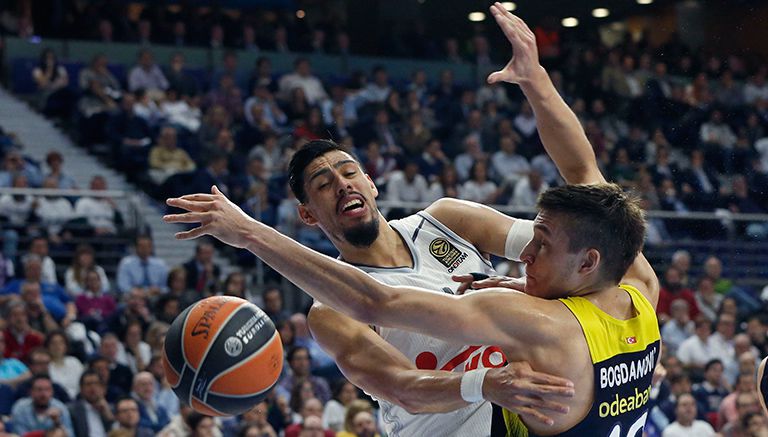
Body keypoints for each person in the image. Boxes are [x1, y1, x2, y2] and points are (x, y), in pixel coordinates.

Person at [164, 5, 660, 437]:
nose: (343, 185)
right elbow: (402, 387)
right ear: (307, 215)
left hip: (518, 416)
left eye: (349, 171)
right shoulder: (329, 309)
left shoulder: (447, 219)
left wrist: (515, 291)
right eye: (323, 184)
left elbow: (573, 221)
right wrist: (482, 381)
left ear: (374, 183)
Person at [10, 375, 74, 436]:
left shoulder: (60, 407)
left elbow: (70, 435)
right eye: (39, 389)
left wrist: (57, 422)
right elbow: (20, 435)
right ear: (31, 391)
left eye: (47, 389)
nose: (43, 394)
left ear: (52, 391)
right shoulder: (20, 408)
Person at [69, 370, 114, 437]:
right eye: (88, 384)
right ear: (81, 389)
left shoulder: (112, 409)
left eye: (96, 383)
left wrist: (108, 415)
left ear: (103, 388)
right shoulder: (73, 411)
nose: (92, 387)